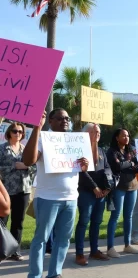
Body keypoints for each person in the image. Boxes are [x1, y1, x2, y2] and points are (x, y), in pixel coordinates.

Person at [23, 109, 90, 278]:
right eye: (61, 118)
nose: (65, 121)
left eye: (67, 118)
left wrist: (85, 164)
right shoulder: (43, 139)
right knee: (41, 240)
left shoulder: (74, 141)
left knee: (64, 239)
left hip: (71, 198)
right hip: (47, 198)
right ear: (50, 121)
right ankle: (35, 275)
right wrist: (37, 128)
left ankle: (54, 273)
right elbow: (28, 161)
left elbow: (84, 167)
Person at [74, 123, 112, 266]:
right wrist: (94, 187)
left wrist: (107, 188)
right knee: (84, 222)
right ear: (86, 134)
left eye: (99, 132)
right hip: (86, 192)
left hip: (101, 193)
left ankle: (94, 250)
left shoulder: (102, 151)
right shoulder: (80, 150)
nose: (98, 134)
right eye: (94, 131)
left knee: (96, 222)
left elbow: (107, 169)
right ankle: (79, 253)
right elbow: (81, 172)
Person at [0, 122, 36, 261]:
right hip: (6, 190)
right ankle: (2, 249)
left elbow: (34, 167)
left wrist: (26, 167)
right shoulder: (2, 149)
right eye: (15, 131)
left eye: (21, 132)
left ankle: (15, 251)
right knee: (2, 222)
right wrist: (13, 166)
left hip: (24, 190)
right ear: (9, 132)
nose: (18, 134)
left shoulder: (25, 149)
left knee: (18, 222)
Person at [106, 128, 138, 258]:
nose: (126, 138)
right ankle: (110, 247)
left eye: (127, 135)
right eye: (123, 135)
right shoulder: (112, 152)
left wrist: (128, 164)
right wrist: (130, 164)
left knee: (129, 217)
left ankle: (127, 245)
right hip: (119, 188)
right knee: (115, 217)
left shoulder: (130, 151)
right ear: (117, 137)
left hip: (133, 187)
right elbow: (117, 167)